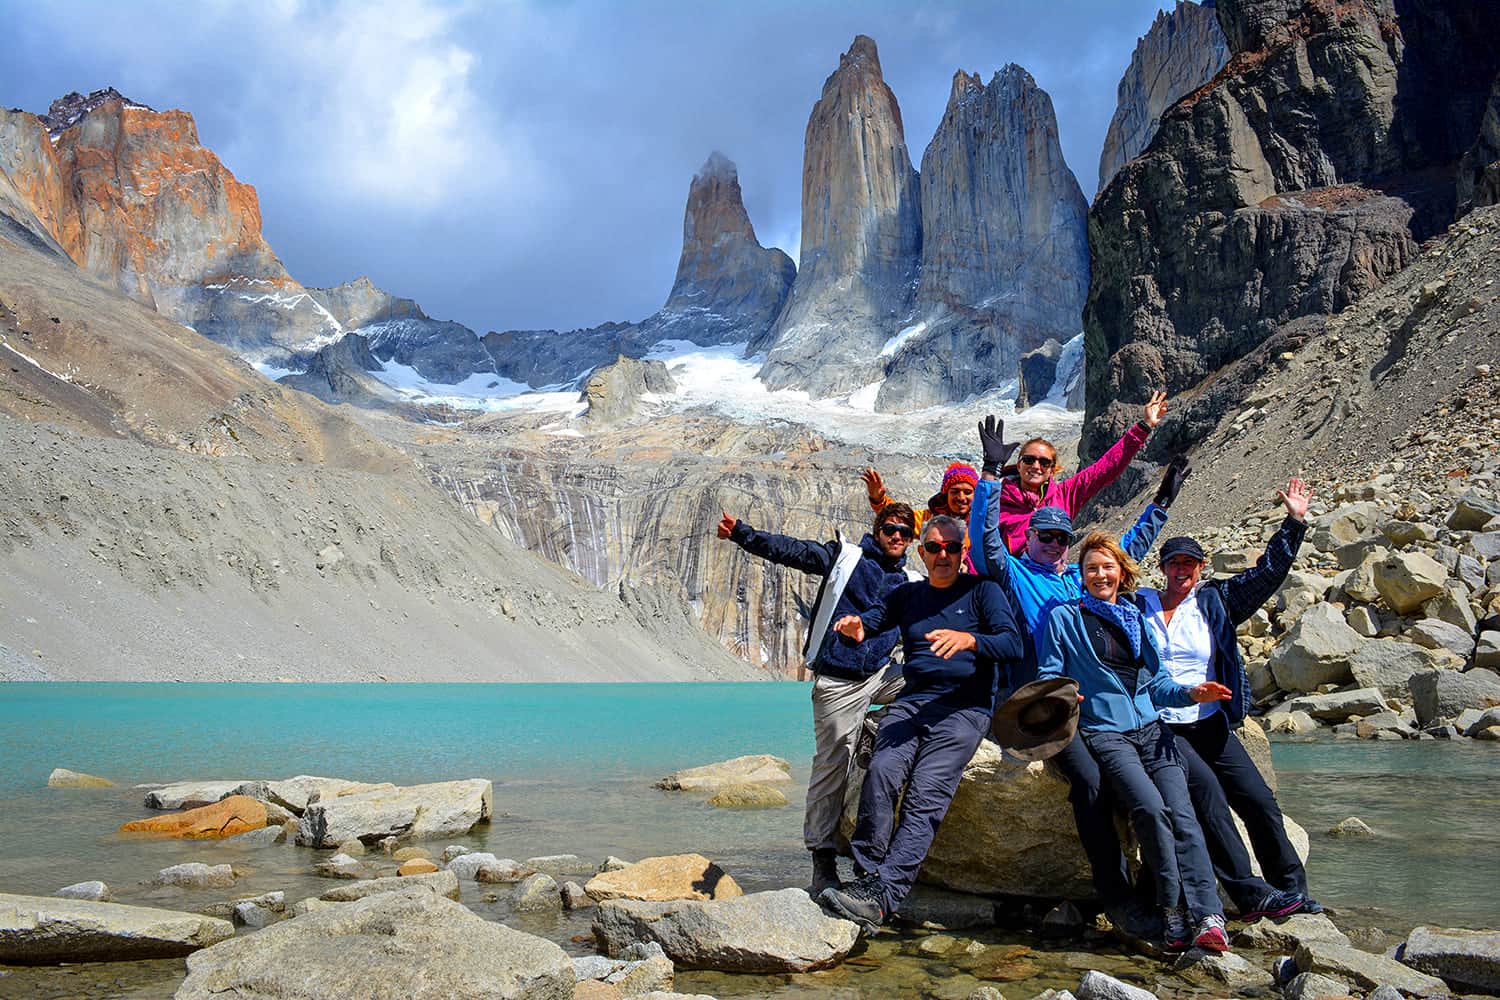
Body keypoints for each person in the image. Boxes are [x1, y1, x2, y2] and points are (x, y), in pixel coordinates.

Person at [974, 457, 1187, 933]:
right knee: (1090, 781)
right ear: (1028, 538)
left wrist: (1162, 503)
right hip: (1042, 705)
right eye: (1043, 536)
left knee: (1134, 787)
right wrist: (989, 476)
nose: (1052, 544)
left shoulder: (1078, 579)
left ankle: (1163, 894)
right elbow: (986, 544)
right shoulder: (1013, 573)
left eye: (1060, 538)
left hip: (1090, 709)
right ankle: (1116, 896)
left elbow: (1125, 551)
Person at [818, 515, 1022, 934]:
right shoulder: (908, 596)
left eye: (951, 547)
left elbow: (1012, 642)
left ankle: (885, 895)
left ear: (963, 552)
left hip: (964, 708)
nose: (942, 554)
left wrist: (971, 640)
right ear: (922, 553)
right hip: (912, 703)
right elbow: (872, 620)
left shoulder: (983, 591)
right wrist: (856, 629)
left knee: (927, 790)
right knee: (881, 771)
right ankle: (867, 880)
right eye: (934, 547)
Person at [1038, 532, 1234, 953]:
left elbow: (1159, 683)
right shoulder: (1063, 619)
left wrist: (1191, 694)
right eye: (1091, 568)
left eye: (1107, 566)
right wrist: (1064, 692)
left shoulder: (1135, 618)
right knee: (1149, 808)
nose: (1099, 574)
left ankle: (1208, 915)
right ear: (1082, 576)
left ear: (1121, 572)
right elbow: (1048, 675)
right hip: (1106, 734)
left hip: (1153, 730)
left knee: (1183, 814)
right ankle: (1171, 909)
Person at [716, 502, 921, 894]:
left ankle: (874, 729)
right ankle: (822, 858)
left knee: (930, 680)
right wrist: (742, 533)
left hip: (881, 675)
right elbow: (791, 551)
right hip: (840, 681)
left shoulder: (911, 581)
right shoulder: (845, 557)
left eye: (905, 533)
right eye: (891, 529)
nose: (898, 537)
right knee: (833, 764)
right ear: (877, 530)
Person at [1139, 478, 1321, 917]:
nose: (1181, 570)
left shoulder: (1214, 601)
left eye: (1190, 563)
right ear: (1162, 567)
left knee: (1258, 800)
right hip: (1164, 725)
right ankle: (1251, 893)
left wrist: (1294, 522)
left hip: (1210, 721)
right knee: (1212, 804)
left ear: (1201, 567)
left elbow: (1267, 576)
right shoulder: (1138, 603)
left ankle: (1292, 891)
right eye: (1174, 563)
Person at [971, 391, 1171, 557]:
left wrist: (1143, 427)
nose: (1036, 466)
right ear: (1019, 464)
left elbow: (1105, 469)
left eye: (1044, 462)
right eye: (1029, 460)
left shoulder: (1065, 494)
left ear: (1052, 469)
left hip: (1052, 578)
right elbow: (979, 537)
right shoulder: (998, 499)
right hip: (1012, 581)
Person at [862, 461, 979, 572]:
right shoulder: (931, 519)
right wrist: (879, 499)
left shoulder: (983, 521)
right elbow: (900, 519)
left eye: (967, 492)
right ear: (945, 494)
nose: (961, 497)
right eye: (954, 491)